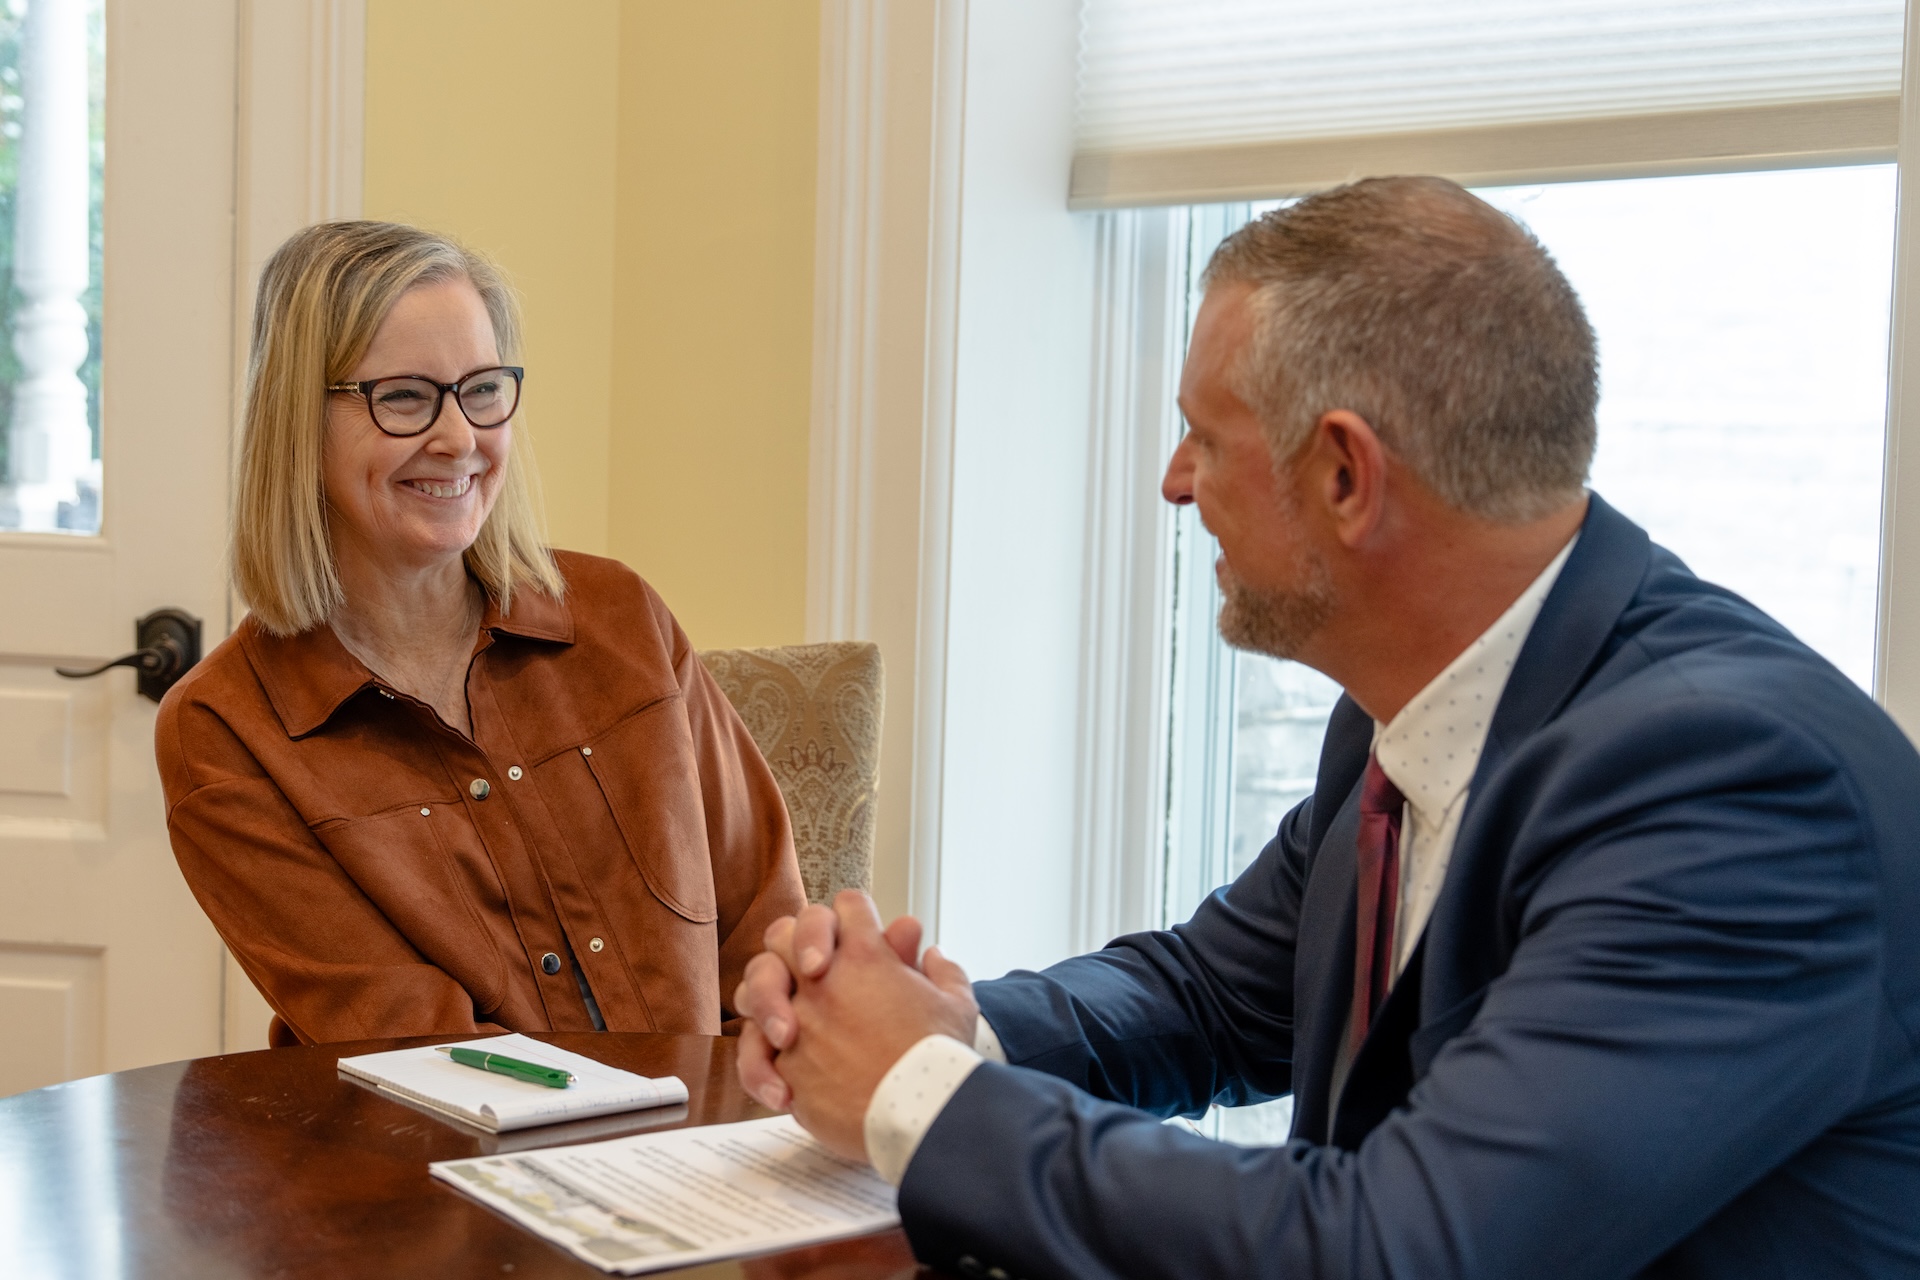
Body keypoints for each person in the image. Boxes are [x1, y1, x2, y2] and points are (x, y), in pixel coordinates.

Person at [732, 176, 1920, 1278]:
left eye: (1206, 432)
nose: (1174, 479)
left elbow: (1400, 1248)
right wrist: (931, 1021)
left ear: (1346, 473)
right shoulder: (1408, 707)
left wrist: (919, 1089)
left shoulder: (1735, 790)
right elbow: (1210, 995)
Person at [156, 221, 805, 1046]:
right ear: (298, 422)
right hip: (458, 1166)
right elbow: (414, 1051)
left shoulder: (620, 615)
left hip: (709, 1146)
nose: (460, 438)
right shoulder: (224, 732)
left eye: (482, 389)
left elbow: (767, 938)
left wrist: (748, 1140)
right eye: (403, 397)